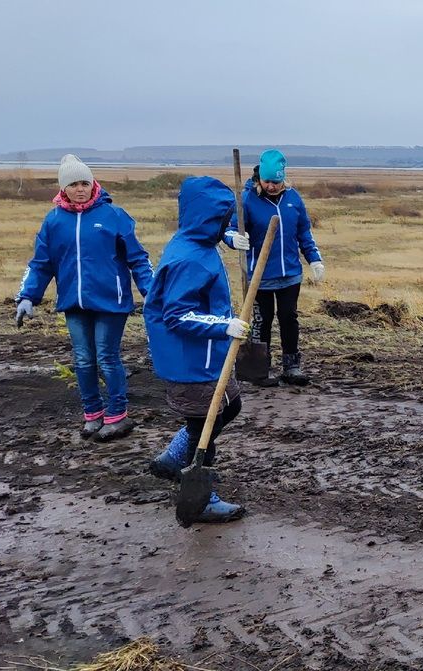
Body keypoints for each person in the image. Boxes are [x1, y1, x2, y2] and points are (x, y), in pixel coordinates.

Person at [15, 154, 153, 441]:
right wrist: (27, 296)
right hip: (73, 303)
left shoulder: (113, 216)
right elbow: (41, 264)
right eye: (74, 184)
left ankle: (118, 415)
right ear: (63, 188)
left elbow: (138, 259)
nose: (81, 189)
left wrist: (151, 292)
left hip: (110, 302)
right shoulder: (53, 221)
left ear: (93, 184)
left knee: (106, 357)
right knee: (83, 360)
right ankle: (93, 413)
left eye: (85, 183)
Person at [144, 176, 249, 523]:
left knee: (229, 407)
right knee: (205, 426)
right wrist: (224, 326)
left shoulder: (198, 243)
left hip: (208, 357)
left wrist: (230, 237)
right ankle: (202, 498)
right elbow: (176, 315)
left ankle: (175, 456)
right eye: (223, 219)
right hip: (191, 360)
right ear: (207, 217)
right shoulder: (189, 259)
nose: (225, 224)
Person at [223, 149, 324, 386]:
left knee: (289, 318)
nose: (271, 186)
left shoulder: (293, 199)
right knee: (261, 321)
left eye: (276, 182)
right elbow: (230, 229)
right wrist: (233, 239)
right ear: (259, 178)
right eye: (267, 181)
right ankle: (260, 368)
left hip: (290, 274)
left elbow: (304, 233)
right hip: (260, 277)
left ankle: (292, 366)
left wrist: (315, 259)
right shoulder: (247, 200)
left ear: (283, 179)